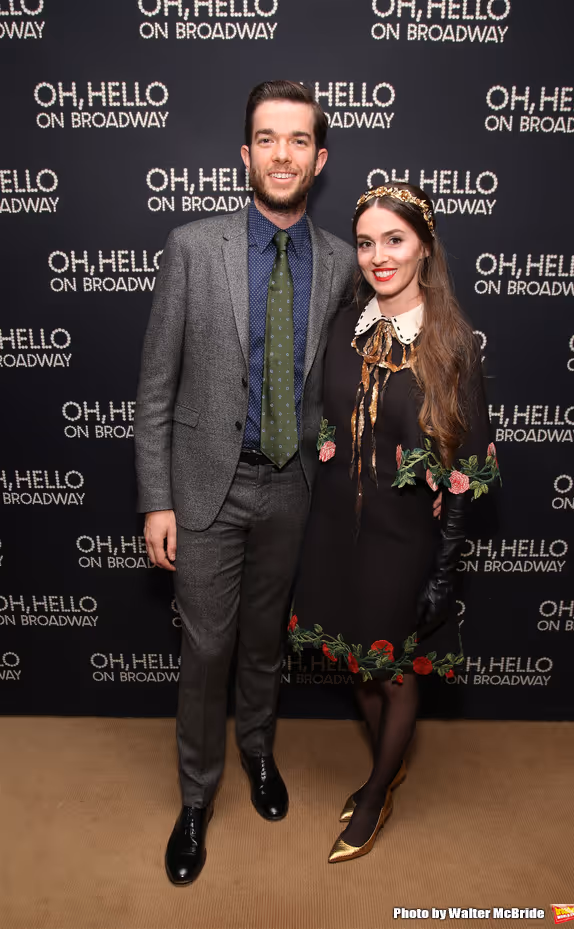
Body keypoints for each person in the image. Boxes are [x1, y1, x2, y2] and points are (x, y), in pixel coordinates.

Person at [134, 80, 357, 885]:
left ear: (320, 158)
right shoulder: (193, 247)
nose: (283, 155)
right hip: (203, 489)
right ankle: (197, 796)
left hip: (291, 489)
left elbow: (362, 375)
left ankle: (258, 752)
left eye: (299, 140)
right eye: (268, 139)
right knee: (207, 647)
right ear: (246, 155)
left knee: (265, 643)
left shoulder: (340, 262)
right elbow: (156, 386)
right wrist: (155, 497)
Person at [289, 183, 500, 864]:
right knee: (359, 660)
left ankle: (377, 789)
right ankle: (391, 761)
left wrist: (443, 570)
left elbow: (466, 466)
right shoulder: (343, 327)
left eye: (395, 239)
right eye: (367, 241)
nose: (379, 256)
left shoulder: (453, 345)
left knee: (397, 672)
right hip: (333, 531)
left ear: (425, 247)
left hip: (404, 539)